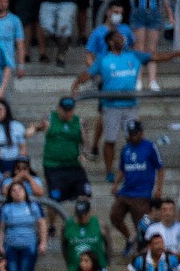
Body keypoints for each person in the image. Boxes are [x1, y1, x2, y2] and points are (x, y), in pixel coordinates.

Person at [72, 31, 180, 182]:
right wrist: (75, 86)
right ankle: (109, 171)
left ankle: (134, 167)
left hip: (131, 106)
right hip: (111, 107)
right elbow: (87, 74)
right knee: (110, 140)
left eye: (122, 37)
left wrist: (176, 54)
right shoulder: (104, 60)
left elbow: (156, 57)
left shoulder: (133, 56)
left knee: (134, 139)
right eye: (118, 37)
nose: (122, 39)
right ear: (110, 42)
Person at [110, 120, 164, 257]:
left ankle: (142, 253)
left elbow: (160, 168)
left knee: (142, 227)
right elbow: (122, 169)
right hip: (126, 191)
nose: (133, 136)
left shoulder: (150, 147)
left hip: (142, 193)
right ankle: (129, 238)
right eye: (131, 134)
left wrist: (158, 189)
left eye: (135, 133)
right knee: (114, 216)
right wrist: (115, 184)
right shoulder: (126, 148)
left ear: (141, 133)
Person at [36, 97, 91, 213]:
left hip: (73, 165)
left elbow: (85, 141)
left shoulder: (78, 121)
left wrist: (84, 154)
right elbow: (39, 126)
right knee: (55, 198)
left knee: (84, 194)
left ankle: (81, 220)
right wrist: (38, 127)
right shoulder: (50, 119)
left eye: (70, 110)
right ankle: (51, 226)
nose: (67, 113)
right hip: (54, 166)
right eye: (65, 110)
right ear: (59, 109)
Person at [0, 181, 45, 271]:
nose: (17, 193)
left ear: (25, 192)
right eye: (13, 190)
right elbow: (2, 228)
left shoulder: (33, 206)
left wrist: (43, 242)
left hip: (29, 245)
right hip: (11, 245)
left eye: (20, 190)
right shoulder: (6, 208)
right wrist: (0, 245)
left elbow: (42, 224)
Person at [61, 197, 108, 271]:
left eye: (84, 215)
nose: (82, 218)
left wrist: (106, 262)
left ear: (90, 212)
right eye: (79, 215)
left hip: (96, 270)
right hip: (75, 269)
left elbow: (108, 245)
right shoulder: (67, 226)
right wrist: (69, 263)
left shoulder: (99, 224)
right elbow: (64, 246)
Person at [131, 0, 172, 91]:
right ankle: (138, 79)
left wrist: (170, 14)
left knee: (152, 49)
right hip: (138, 12)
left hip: (155, 13)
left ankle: (152, 80)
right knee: (139, 48)